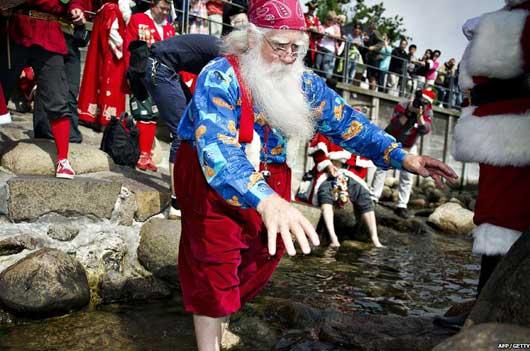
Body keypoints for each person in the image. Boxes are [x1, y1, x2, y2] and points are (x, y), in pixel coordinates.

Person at [173, 0, 457, 348]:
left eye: (298, 47)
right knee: (215, 259)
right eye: (280, 46)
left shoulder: (304, 84)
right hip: (211, 179)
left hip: (272, 173)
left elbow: (349, 123)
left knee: (263, 254)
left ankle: (223, 316)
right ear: (251, 39)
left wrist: (400, 157)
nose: (291, 56)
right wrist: (266, 200)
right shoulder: (219, 75)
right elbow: (215, 146)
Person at [435, 0, 530, 329]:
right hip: (500, 128)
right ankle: (486, 309)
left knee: (503, 219)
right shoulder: (512, 17)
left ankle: (487, 317)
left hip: (511, 130)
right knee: (496, 215)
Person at [0, 0, 86, 179]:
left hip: (49, 34)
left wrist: (75, 8)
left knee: (57, 98)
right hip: (17, 30)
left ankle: (63, 158)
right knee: (2, 90)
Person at [140, 34, 221, 218]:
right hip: (158, 66)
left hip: (168, 67)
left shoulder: (229, 51)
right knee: (183, 132)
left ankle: (186, 188)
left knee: (191, 124)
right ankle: (176, 202)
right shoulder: (226, 54)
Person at [125, 0, 176, 171]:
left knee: (153, 114)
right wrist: (129, 72)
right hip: (140, 72)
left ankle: (146, 153)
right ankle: (141, 153)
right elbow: (128, 45)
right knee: (142, 112)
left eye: (168, 10)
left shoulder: (169, 28)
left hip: (160, 76)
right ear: (153, 5)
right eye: (162, 8)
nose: (165, 12)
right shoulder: (138, 19)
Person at [308, 133, 381, 248]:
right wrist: (328, 166)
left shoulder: (357, 129)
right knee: (325, 195)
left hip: (350, 173)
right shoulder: (327, 127)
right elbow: (319, 152)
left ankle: (375, 239)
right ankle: (333, 238)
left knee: (364, 196)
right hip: (327, 172)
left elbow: (361, 161)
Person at [371, 89, 435, 219]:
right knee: (381, 168)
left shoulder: (428, 111)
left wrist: (419, 116)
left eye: (426, 102)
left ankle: (402, 205)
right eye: (421, 101)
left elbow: (425, 130)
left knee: (408, 175)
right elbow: (394, 125)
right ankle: (373, 198)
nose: (423, 104)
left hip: (410, 146)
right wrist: (409, 112)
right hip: (392, 141)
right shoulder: (403, 105)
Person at [78, 0, 129, 130]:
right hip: (111, 57)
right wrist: (124, 50)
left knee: (95, 82)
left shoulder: (104, 8)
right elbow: (111, 31)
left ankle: (93, 116)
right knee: (112, 86)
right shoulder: (112, 8)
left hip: (103, 53)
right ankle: (107, 120)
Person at [303, 0, 321, 68]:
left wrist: (316, 30)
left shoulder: (316, 19)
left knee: (310, 61)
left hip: (312, 43)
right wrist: (308, 28)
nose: (312, 10)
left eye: (313, 9)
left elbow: (318, 32)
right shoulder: (303, 16)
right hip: (303, 40)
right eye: (310, 8)